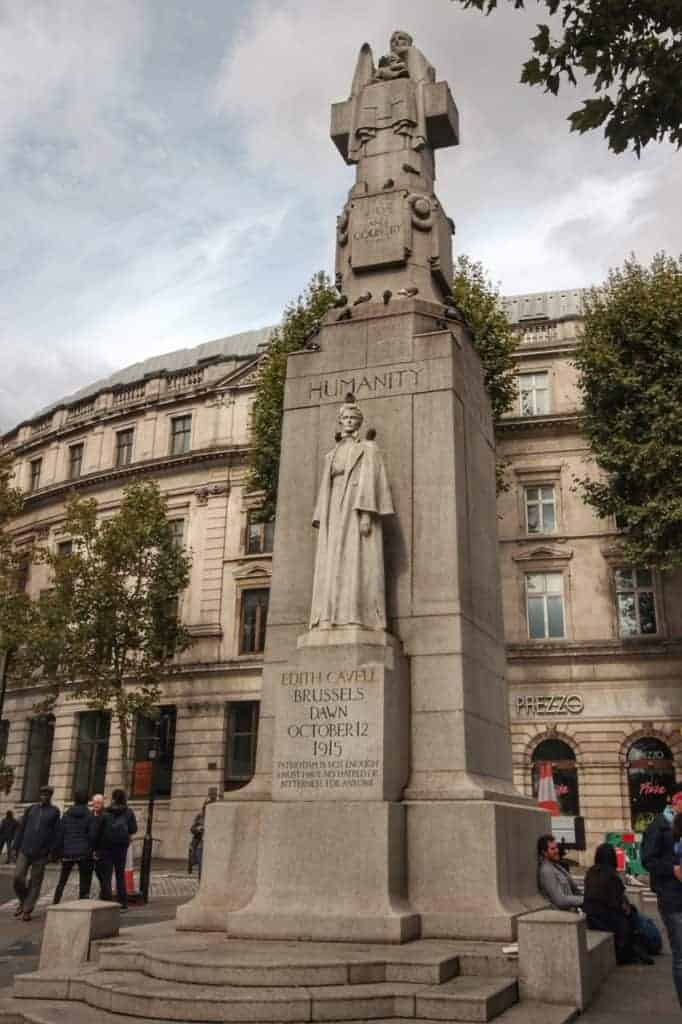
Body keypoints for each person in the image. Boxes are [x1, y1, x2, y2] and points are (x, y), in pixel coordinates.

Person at [309, 398, 394, 631]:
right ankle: (328, 616)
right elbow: (325, 487)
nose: (349, 422)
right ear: (340, 422)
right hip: (334, 508)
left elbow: (373, 481)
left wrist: (366, 513)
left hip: (355, 506)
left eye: (353, 419)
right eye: (345, 418)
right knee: (332, 563)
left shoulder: (368, 449)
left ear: (359, 423)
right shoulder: (331, 454)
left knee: (355, 560)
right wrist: (322, 516)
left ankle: (357, 616)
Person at [642, 783, 682, 1006]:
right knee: (681, 955)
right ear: (674, 800)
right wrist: (672, 869)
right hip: (672, 897)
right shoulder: (659, 825)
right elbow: (648, 860)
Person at [583, 842, 653, 965]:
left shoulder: (590, 873)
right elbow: (619, 904)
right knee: (632, 914)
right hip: (608, 920)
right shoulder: (612, 875)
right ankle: (638, 947)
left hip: (592, 918)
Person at [12, 785, 61, 921]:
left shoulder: (54, 812)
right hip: (25, 849)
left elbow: (56, 834)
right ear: (40, 795)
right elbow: (21, 828)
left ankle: (27, 909)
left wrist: (52, 852)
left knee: (35, 882)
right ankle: (23, 900)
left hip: (41, 853)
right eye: (42, 794)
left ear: (51, 796)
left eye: (47, 794)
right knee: (17, 877)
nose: (44, 796)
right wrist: (15, 846)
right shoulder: (31, 809)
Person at [52, 789, 99, 904]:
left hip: (68, 851)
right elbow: (93, 835)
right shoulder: (89, 815)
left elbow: (60, 833)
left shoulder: (67, 814)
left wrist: (57, 852)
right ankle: (82, 903)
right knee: (84, 880)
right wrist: (92, 849)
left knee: (62, 880)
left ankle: (55, 902)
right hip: (84, 853)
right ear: (87, 801)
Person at [97, 789, 137, 911]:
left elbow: (99, 829)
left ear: (113, 798)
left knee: (107, 875)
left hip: (107, 846)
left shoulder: (105, 812)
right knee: (120, 875)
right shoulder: (129, 812)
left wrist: (97, 846)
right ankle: (123, 903)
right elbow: (133, 829)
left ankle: (107, 903)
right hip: (121, 846)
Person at [537, 833, 583, 911]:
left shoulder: (556, 866)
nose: (557, 851)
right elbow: (560, 900)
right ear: (544, 852)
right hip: (565, 917)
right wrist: (584, 900)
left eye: (556, 847)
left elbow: (574, 890)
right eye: (552, 849)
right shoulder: (546, 871)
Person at [89, 793, 107, 898]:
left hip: (101, 850)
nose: (96, 805)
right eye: (95, 803)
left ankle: (104, 893)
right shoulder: (90, 814)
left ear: (102, 804)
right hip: (90, 849)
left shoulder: (105, 816)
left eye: (99, 803)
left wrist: (98, 851)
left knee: (101, 873)